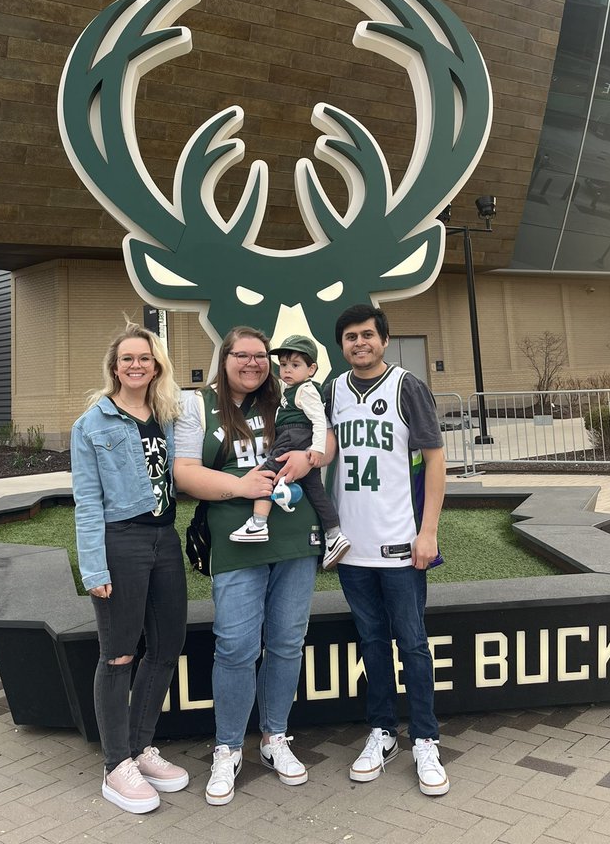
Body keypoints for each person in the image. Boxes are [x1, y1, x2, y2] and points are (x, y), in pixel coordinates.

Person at [174, 327, 322, 806]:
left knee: (285, 641)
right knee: (236, 645)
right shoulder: (199, 404)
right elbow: (183, 472)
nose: (254, 363)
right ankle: (228, 747)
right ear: (225, 357)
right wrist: (242, 488)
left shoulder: (290, 395)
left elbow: (327, 441)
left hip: (294, 536)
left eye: (261, 356)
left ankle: (274, 737)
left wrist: (307, 456)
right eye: (244, 355)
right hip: (236, 541)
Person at [324, 304, 450, 798]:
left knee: (413, 645)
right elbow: (325, 452)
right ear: (341, 345)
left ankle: (425, 738)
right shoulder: (332, 390)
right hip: (352, 548)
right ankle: (382, 732)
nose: (360, 343)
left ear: (384, 340)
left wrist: (429, 531)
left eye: (368, 335)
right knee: (372, 643)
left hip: (400, 544)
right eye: (351, 337)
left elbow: (436, 461)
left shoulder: (407, 386)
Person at [71, 324, 189, 816]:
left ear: (156, 364)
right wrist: (94, 567)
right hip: (122, 541)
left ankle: (141, 749)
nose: (136, 365)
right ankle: (115, 765)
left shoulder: (168, 415)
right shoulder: (92, 424)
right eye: (127, 359)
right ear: (114, 366)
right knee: (118, 654)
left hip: (165, 538)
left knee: (165, 647)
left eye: (145, 358)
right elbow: (87, 502)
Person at [229, 333, 350, 569]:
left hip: (294, 437)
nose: (287, 370)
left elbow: (318, 421)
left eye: (295, 365)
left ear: (311, 369)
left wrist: (316, 449)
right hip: (294, 437)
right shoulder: (290, 390)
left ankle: (258, 522)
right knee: (315, 490)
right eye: (283, 365)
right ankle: (334, 534)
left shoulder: (306, 391)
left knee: (266, 472)